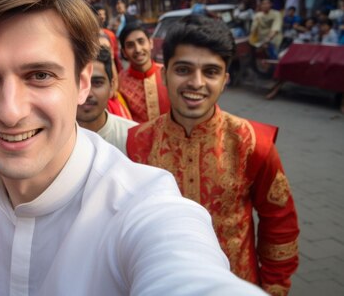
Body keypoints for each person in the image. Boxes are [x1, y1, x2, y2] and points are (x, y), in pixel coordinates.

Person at [0, 0, 265, 295]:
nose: (10, 112)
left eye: (40, 75)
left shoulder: (138, 209)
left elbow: (186, 270)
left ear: (83, 83)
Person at [127, 15, 299, 294]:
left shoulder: (253, 143)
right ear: (164, 73)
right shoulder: (137, 143)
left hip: (237, 284)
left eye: (210, 72)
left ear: (225, 80)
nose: (196, 83)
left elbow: (279, 221)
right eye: (183, 69)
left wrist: (275, 287)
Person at [76, 46, 137, 155]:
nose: (88, 94)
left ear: (112, 87)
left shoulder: (134, 136)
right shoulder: (51, 139)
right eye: (79, 83)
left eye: (97, 83)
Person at [118, 23, 171, 123]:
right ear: (124, 52)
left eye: (141, 42)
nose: (138, 49)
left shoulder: (169, 74)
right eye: (130, 45)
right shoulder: (119, 83)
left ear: (150, 43)